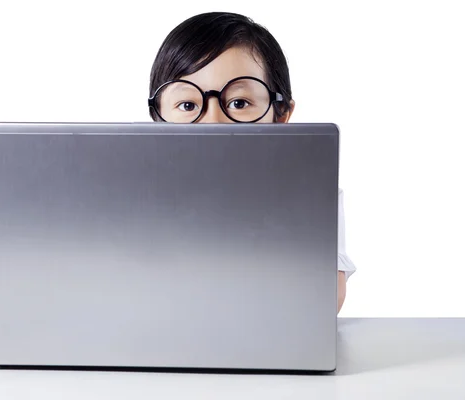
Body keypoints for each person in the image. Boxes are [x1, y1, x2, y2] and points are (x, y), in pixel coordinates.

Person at [147, 12, 356, 313]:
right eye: (188, 105)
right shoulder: (138, 193)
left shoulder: (306, 191)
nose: (214, 121)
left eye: (239, 103)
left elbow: (324, 304)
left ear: (281, 113)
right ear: (157, 117)